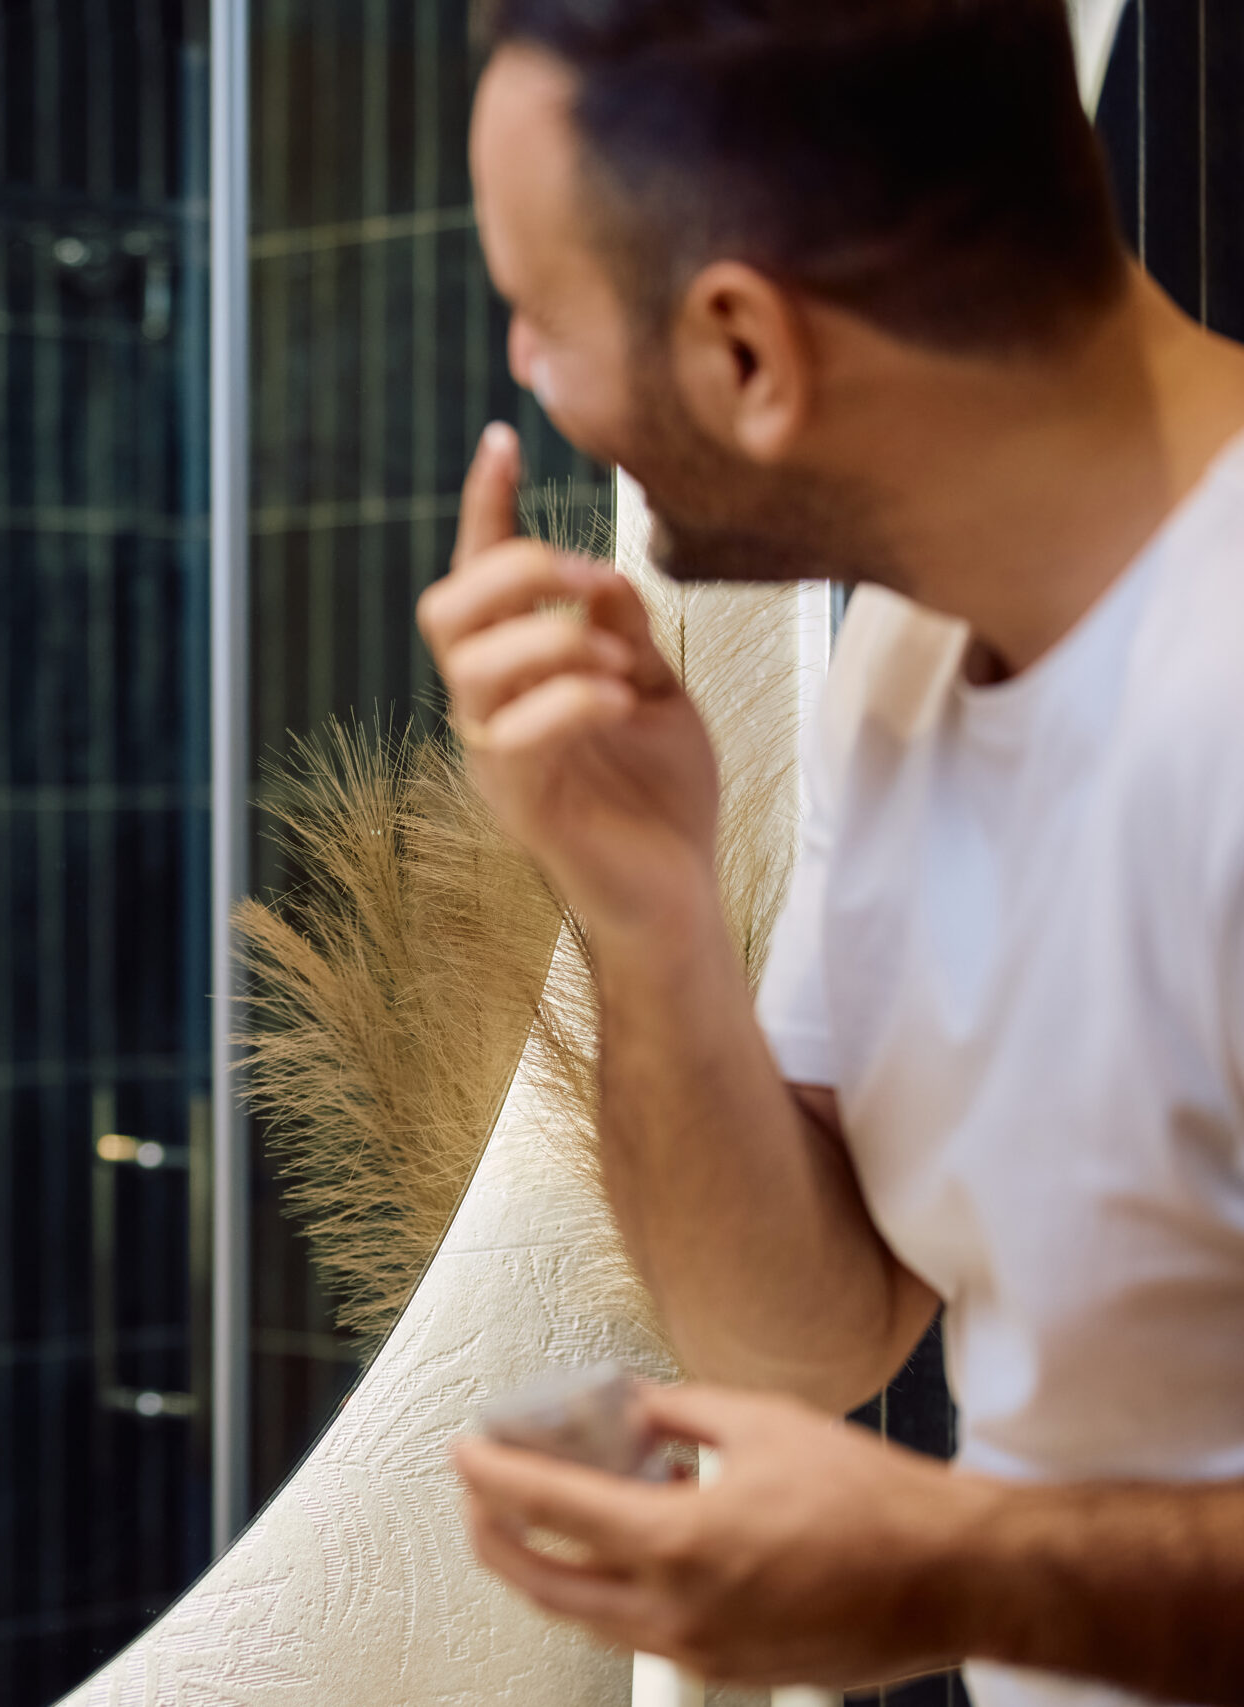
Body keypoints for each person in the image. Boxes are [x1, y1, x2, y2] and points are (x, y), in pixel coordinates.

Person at [427, 2, 1244, 1701]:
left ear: (745, 353)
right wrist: (644, 909)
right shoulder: (911, 653)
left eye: (540, 309)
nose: (524, 371)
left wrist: (951, 1569)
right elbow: (793, 1339)